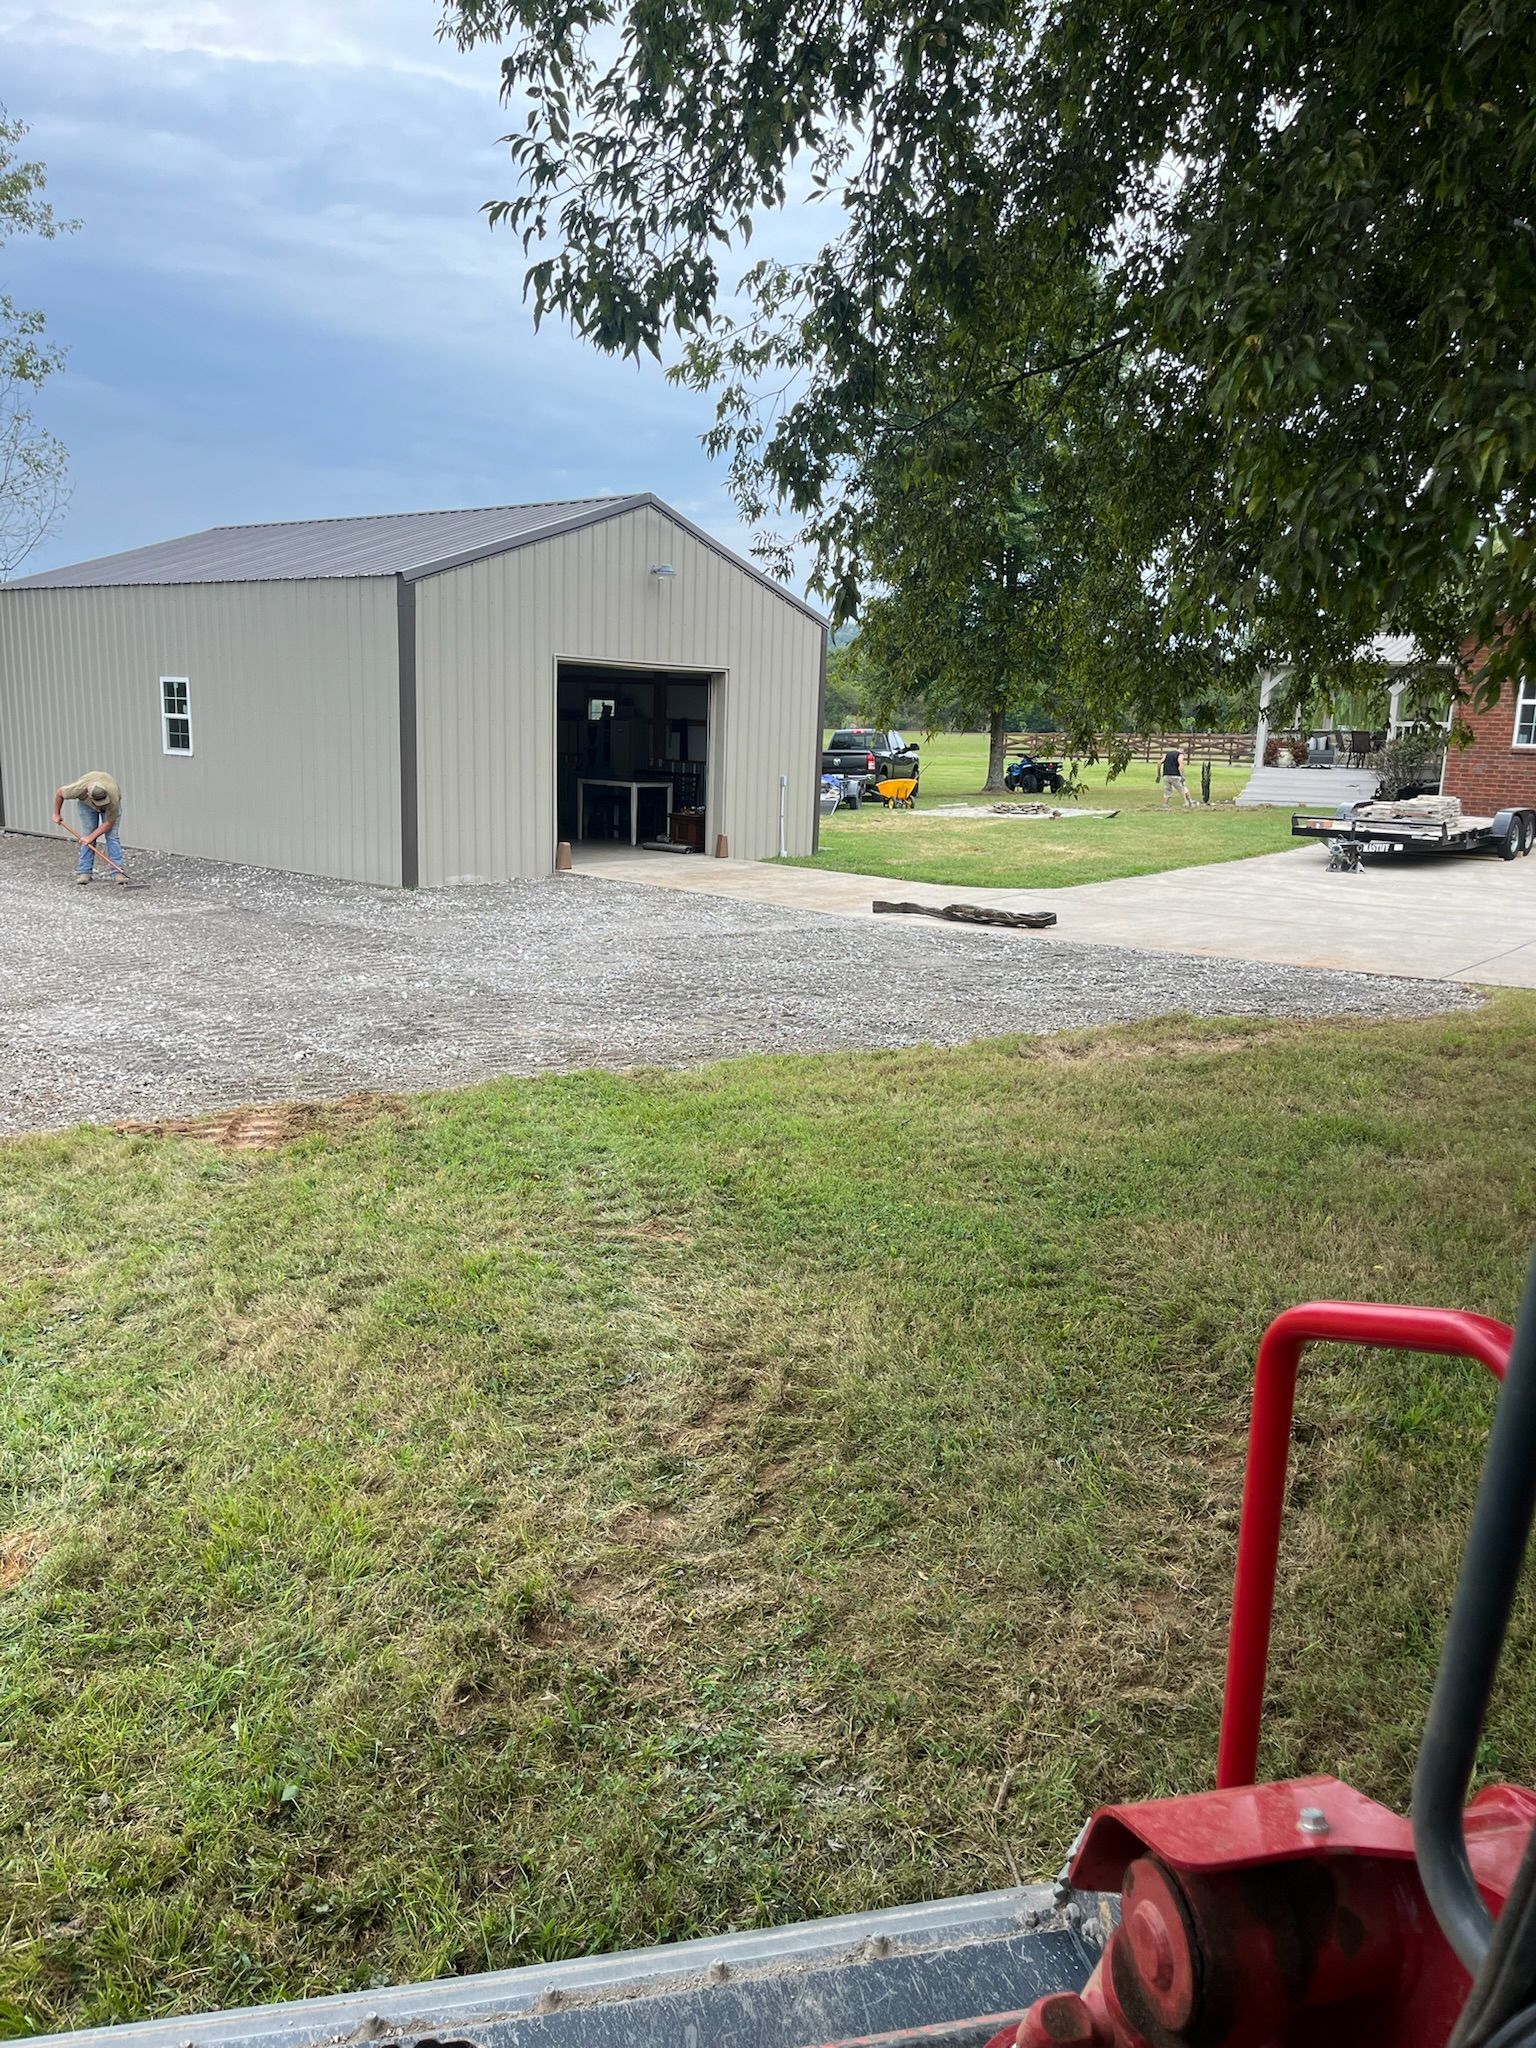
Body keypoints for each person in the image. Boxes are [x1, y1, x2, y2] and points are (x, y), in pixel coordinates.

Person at [52, 770, 126, 884]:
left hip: (110, 805)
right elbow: (59, 793)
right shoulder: (78, 789)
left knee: (112, 836)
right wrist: (56, 813)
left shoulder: (113, 797)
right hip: (86, 805)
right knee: (87, 834)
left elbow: (109, 823)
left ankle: (118, 872)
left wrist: (90, 837)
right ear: (88, 795)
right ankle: (85, 872)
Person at [1160, 743, 1197, 809]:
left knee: (1167, 790)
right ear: (1183, 750)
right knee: (1183, 789)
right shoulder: (1180, 755)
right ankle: (1189, 802)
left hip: (1166, 775)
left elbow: (1159, 762)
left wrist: (1158, 774)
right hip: (1175, 775)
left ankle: (1165, 804)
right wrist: (1182, 775)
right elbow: (1181, 765)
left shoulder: (1168, 754)